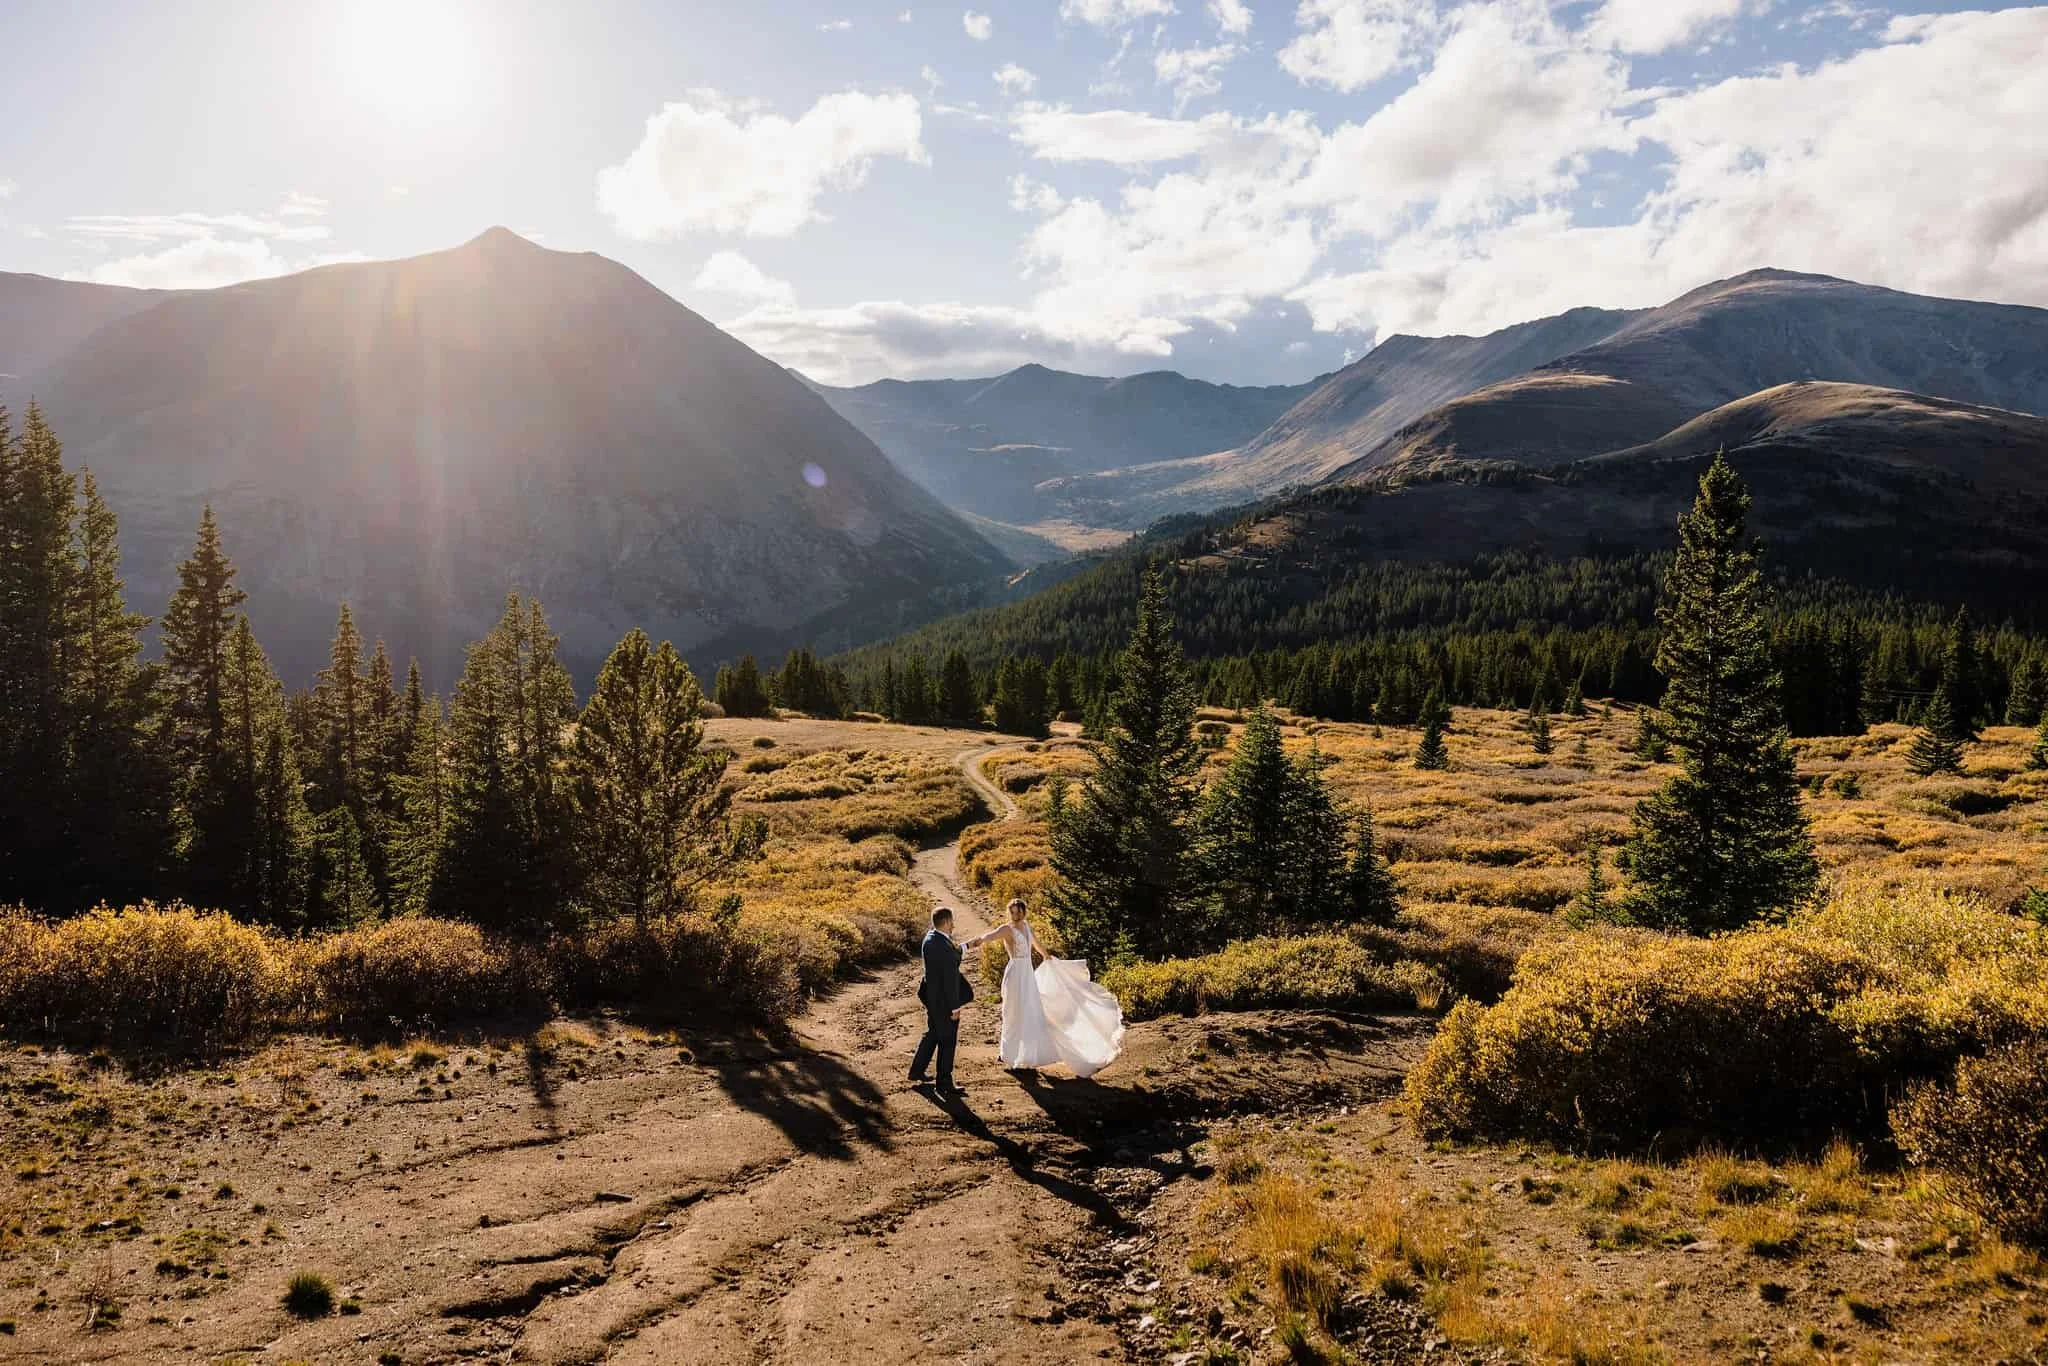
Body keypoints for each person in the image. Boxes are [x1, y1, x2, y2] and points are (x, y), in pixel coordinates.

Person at [965, 898, 1124, 1078]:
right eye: (1013, 912)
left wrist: (1048, 958)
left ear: (1024, 912)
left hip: (1027, 975)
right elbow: (989, 936)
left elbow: (1037, 944)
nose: (1016, 916)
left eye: (1019, 912)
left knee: (1031, 1013)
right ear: (1009, 912)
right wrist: (971, 943)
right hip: (1015, 974)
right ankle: (1009, 1054)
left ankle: (1027, 1054)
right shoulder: (1006, 928)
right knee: (1013, 1012)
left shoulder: (1026, 926)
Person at [909, 906, 969, 1097]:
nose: (953, 925)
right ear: (947, 922)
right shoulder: (943, 946)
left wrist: (965, 947)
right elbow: (950, 980)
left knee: (933, 1033)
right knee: (947, 1039)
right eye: (952, 921)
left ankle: (917, 1071)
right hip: (943, 1000)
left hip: (931, 997)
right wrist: (955, 1006)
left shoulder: (931, 937)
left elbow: (951, 954)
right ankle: (944, 1082)